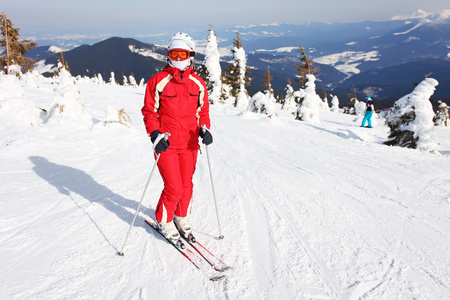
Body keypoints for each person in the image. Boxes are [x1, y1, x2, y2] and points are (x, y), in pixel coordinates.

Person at [141, 32, 213, 244]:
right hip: (166, 144)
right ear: (168, 55)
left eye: (182, 54)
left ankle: (180, 217)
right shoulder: (158, 81)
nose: (178, 58)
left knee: (187, 185)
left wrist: (205, 129)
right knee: (174, 187)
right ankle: (164, 220)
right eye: (174, 53)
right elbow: (149, 112)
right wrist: (155, 134)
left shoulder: (198, 83)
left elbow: (203, 112)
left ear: (191, 55)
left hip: (190, 144)